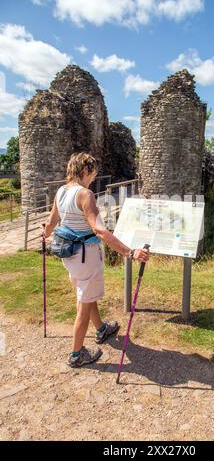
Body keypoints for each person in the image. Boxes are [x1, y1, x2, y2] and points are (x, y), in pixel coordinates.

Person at [42, 152, 150, 368]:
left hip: (70, 255)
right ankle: (76, 354)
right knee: (83, 303)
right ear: (85, 171)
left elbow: (51, 222)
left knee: (85, 293)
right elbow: (100, 230)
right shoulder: (85, 194)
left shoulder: (61, 191)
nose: (93, 178)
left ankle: (101, 329)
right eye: (93, 174)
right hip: (86, 255)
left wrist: (44, 233)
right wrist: (130, 252)